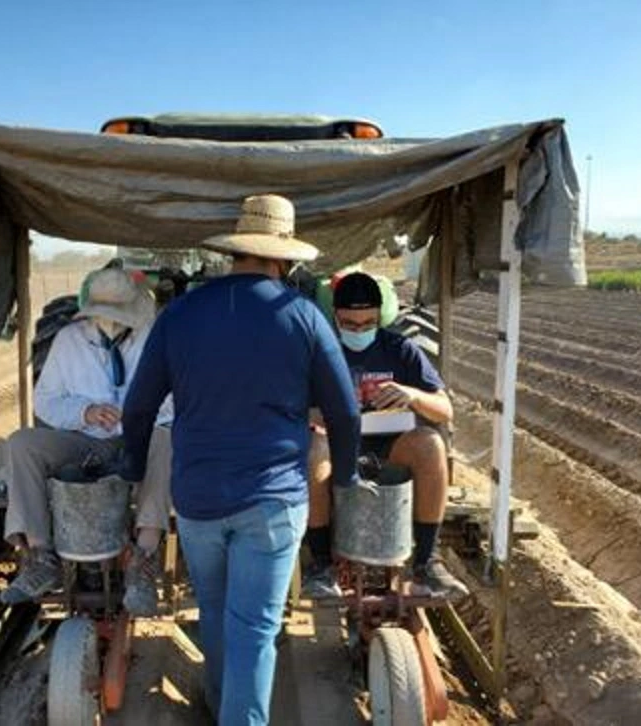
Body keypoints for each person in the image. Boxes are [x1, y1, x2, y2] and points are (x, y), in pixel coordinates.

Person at [121, 194, 361, 726]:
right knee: (254, 627)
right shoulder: (301, 315)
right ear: (285, 258)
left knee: (216, 613)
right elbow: (344, 412)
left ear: (235, 253)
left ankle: (218, 701)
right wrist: (345, 475)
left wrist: (134, 470)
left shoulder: (179, 314)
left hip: (200, 499)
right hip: (272, 502)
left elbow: (137, 408)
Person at [1, 267, 173, 616]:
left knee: (166, 439)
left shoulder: (156, 339)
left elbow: (175, 399)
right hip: (85, 439)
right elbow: (45, 400)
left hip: (140, 437)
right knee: (21, 443)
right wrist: (86, 411)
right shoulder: (68, 340)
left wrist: (134, 413)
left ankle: (144, 559)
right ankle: (40, 556)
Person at [302, 271, 469, 601]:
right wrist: (317, 413)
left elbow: (445, 409)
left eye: (367, 324)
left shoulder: (401, 350)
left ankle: (426, 564)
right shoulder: (319, 352)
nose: (359, 331)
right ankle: (321, 565)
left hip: (391, 446)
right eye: (350, 324)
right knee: (314, 447)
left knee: (430, 445)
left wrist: (412, 395)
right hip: (336, 446)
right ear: (335, 316)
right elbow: (291, 407)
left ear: (380, 317)